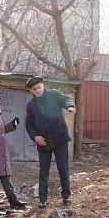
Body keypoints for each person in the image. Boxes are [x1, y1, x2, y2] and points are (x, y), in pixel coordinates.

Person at [24, 76, 76, 208]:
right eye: (34, 89)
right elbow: (29, 124)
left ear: (43, 86)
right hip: (43, 142)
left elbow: (66, 99)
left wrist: (70, 106)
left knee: (63, 167)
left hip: (60, 138)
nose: (37, 90)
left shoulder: (54, 94)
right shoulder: (31, 105)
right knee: (43, 171)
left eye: (39, 87)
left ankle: (66, 195)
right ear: (31, 91)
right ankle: (43, 199)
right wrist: (35, 137)